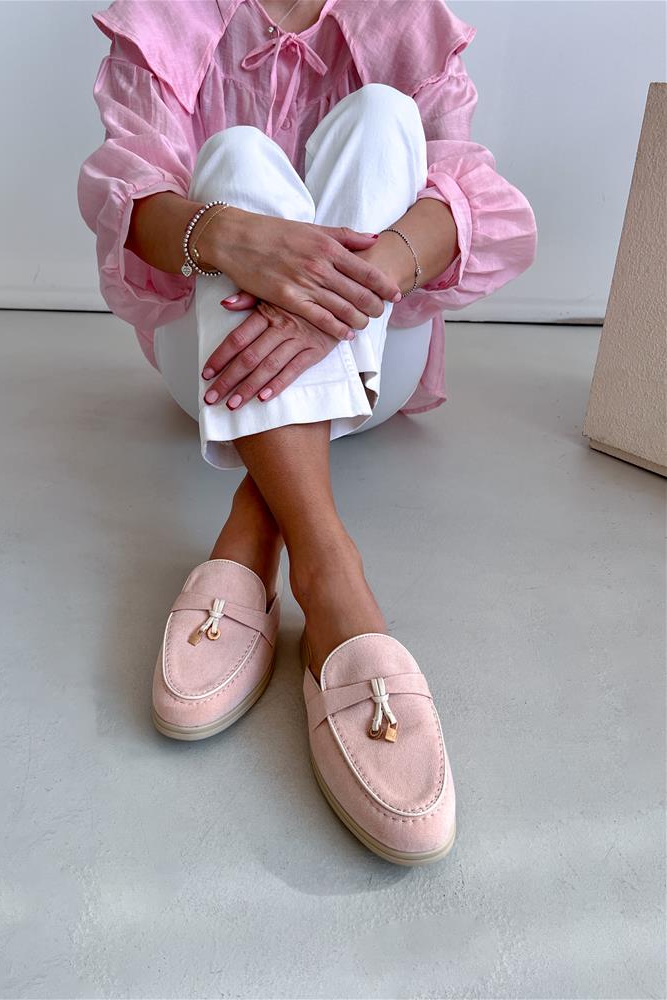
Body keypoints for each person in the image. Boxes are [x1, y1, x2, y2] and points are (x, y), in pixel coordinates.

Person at [77, 0, 538, 865]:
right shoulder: (169, 15)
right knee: (236, 156)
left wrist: (344, 289)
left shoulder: (406, 18)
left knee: (384, 118)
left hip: (372, 342)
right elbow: (125, 195)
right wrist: (233, 236)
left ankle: (273, 535)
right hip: (208, 354)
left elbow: (469, 197)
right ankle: (332, 572)